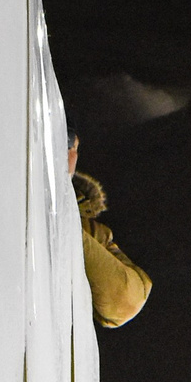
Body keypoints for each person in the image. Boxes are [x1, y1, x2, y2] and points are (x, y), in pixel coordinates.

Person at [69, 137, 152, 326]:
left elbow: (125, 298)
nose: (70, 155)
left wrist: (66, 223)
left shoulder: (92, 230)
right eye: (67, 145)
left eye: (73, 148)